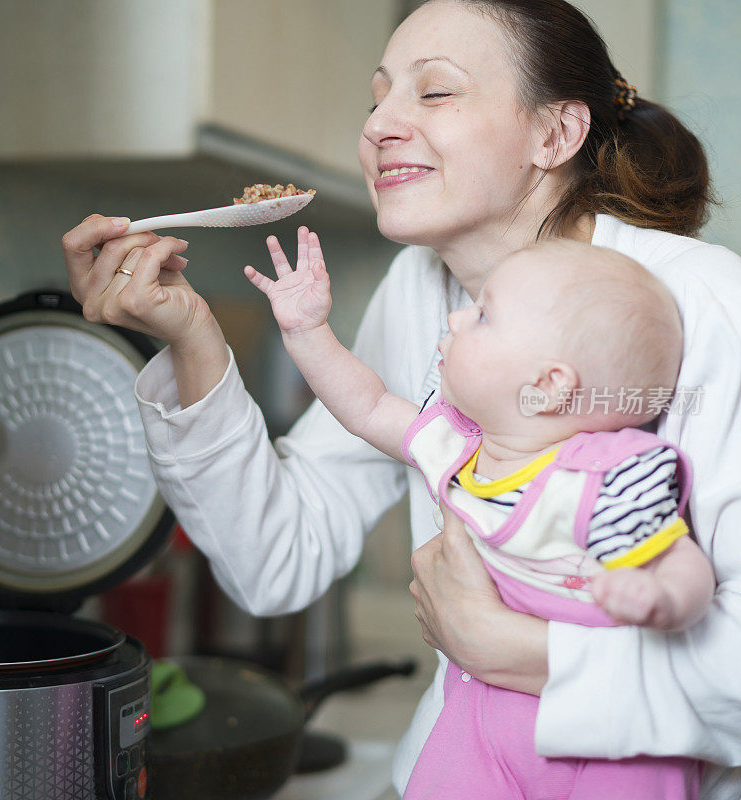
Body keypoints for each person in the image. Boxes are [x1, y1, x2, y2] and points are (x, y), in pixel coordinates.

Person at [62, 1, 741, 797]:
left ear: (554, 135)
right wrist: (192, 342)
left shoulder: (703, 303)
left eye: (435, 92)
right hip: (462, 756)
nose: (380, 124)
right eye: (376, 96)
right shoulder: (422, 290)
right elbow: (278, 558)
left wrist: (515, 650)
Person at [245, 232, 713, 798]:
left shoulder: (601, 478)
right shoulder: (457, 445)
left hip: (612, 743)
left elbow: (684, 563)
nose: (457, 318)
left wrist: (664, 600)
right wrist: (307, 332)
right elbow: (366, 406)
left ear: (548, 385)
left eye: (484, 315)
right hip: (481, 716)